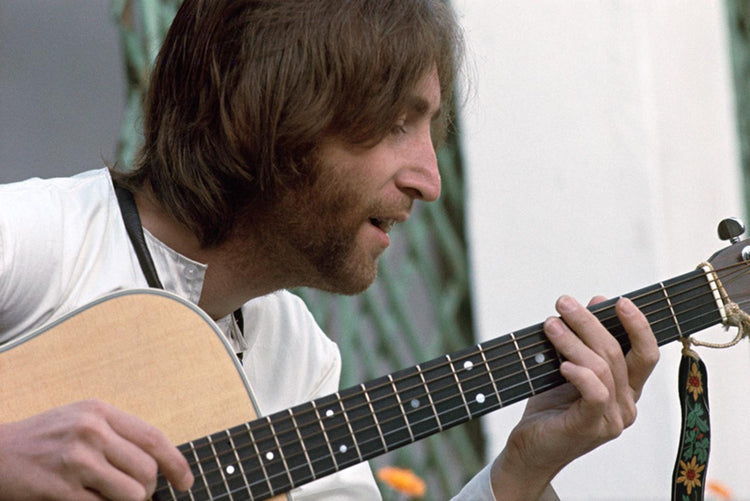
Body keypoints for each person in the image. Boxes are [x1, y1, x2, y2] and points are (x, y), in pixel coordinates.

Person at [0, 0, 659, 499]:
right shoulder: (42, 238)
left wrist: (524, 468)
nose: (429, 179)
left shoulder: (300, 355)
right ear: (271, 109)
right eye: (398, 121)